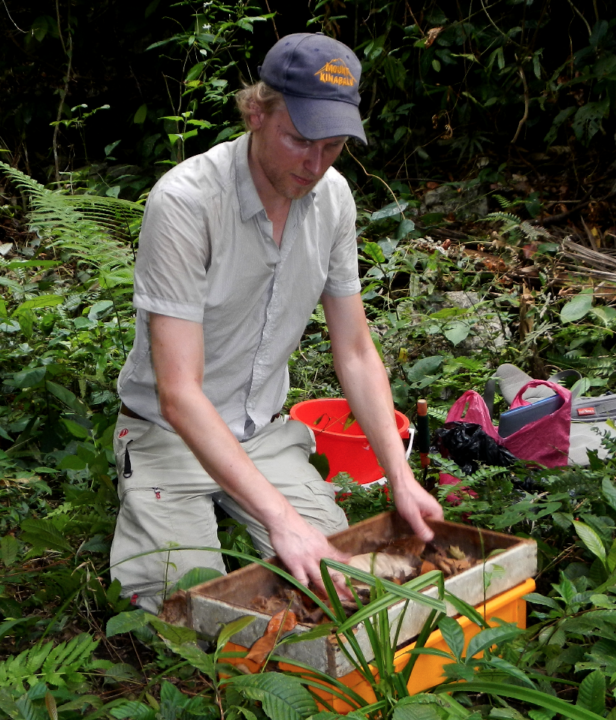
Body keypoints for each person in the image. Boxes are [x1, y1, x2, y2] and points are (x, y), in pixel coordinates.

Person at [109, 32, 443, 613]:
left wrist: (400, 476)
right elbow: (179, 393)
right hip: (169, 434)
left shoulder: (334, 199)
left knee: (345, 582)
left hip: (263, 435)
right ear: (256, 112)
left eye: (333, 146)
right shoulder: (186, 202)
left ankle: (269, 513)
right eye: (298, 139)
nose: (313, 164)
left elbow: (357, 353)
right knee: (186, 608)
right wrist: (283, 521)